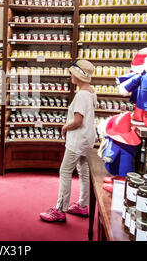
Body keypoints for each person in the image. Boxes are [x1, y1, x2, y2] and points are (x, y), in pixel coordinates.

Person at [40, 59, 97, 223]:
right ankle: (83, 204)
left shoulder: (81, 95)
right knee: (83, 172)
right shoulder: (92, 92)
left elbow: (78, 121)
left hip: (77, 140)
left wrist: (65, 127)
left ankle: (60, 210)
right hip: (88, 139)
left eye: (73, 72)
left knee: (65, 172)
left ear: (78, 76)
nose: (71, 75)